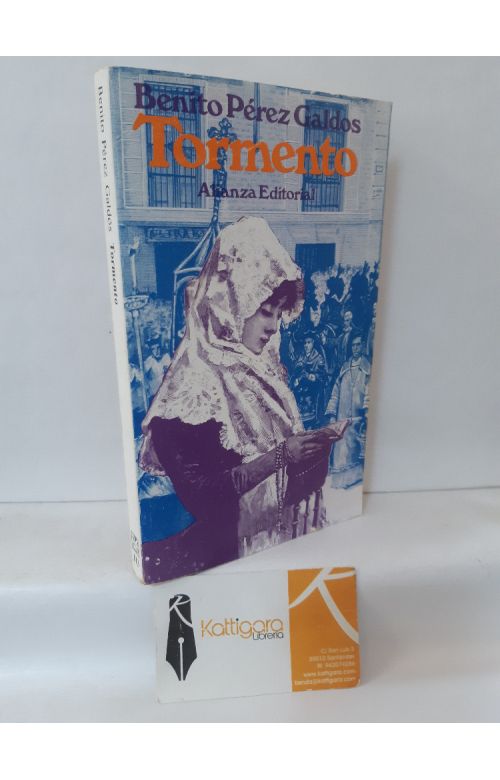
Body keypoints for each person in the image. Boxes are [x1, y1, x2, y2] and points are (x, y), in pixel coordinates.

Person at [139, 217, 345, 579]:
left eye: (279, 314)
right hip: (222, 565)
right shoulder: (190, 392)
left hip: (280, 548)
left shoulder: (261, 372)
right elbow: (206, 499)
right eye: (265, 311)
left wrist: (312, 450)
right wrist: (282, 456)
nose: (273, 327)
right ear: (230, 303)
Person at [325, 333, 370, 487]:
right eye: (353, 345)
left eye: (358, 345)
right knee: (341, 455)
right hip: (342, 419)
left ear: (362, 346)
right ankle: (341, 484)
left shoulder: (367, 368)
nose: (355, 348)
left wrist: (367, 413)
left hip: (358, 420)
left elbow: (369, 392)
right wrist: (332, 414)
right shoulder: (344, 368)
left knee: (356, 456)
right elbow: (335, 392)